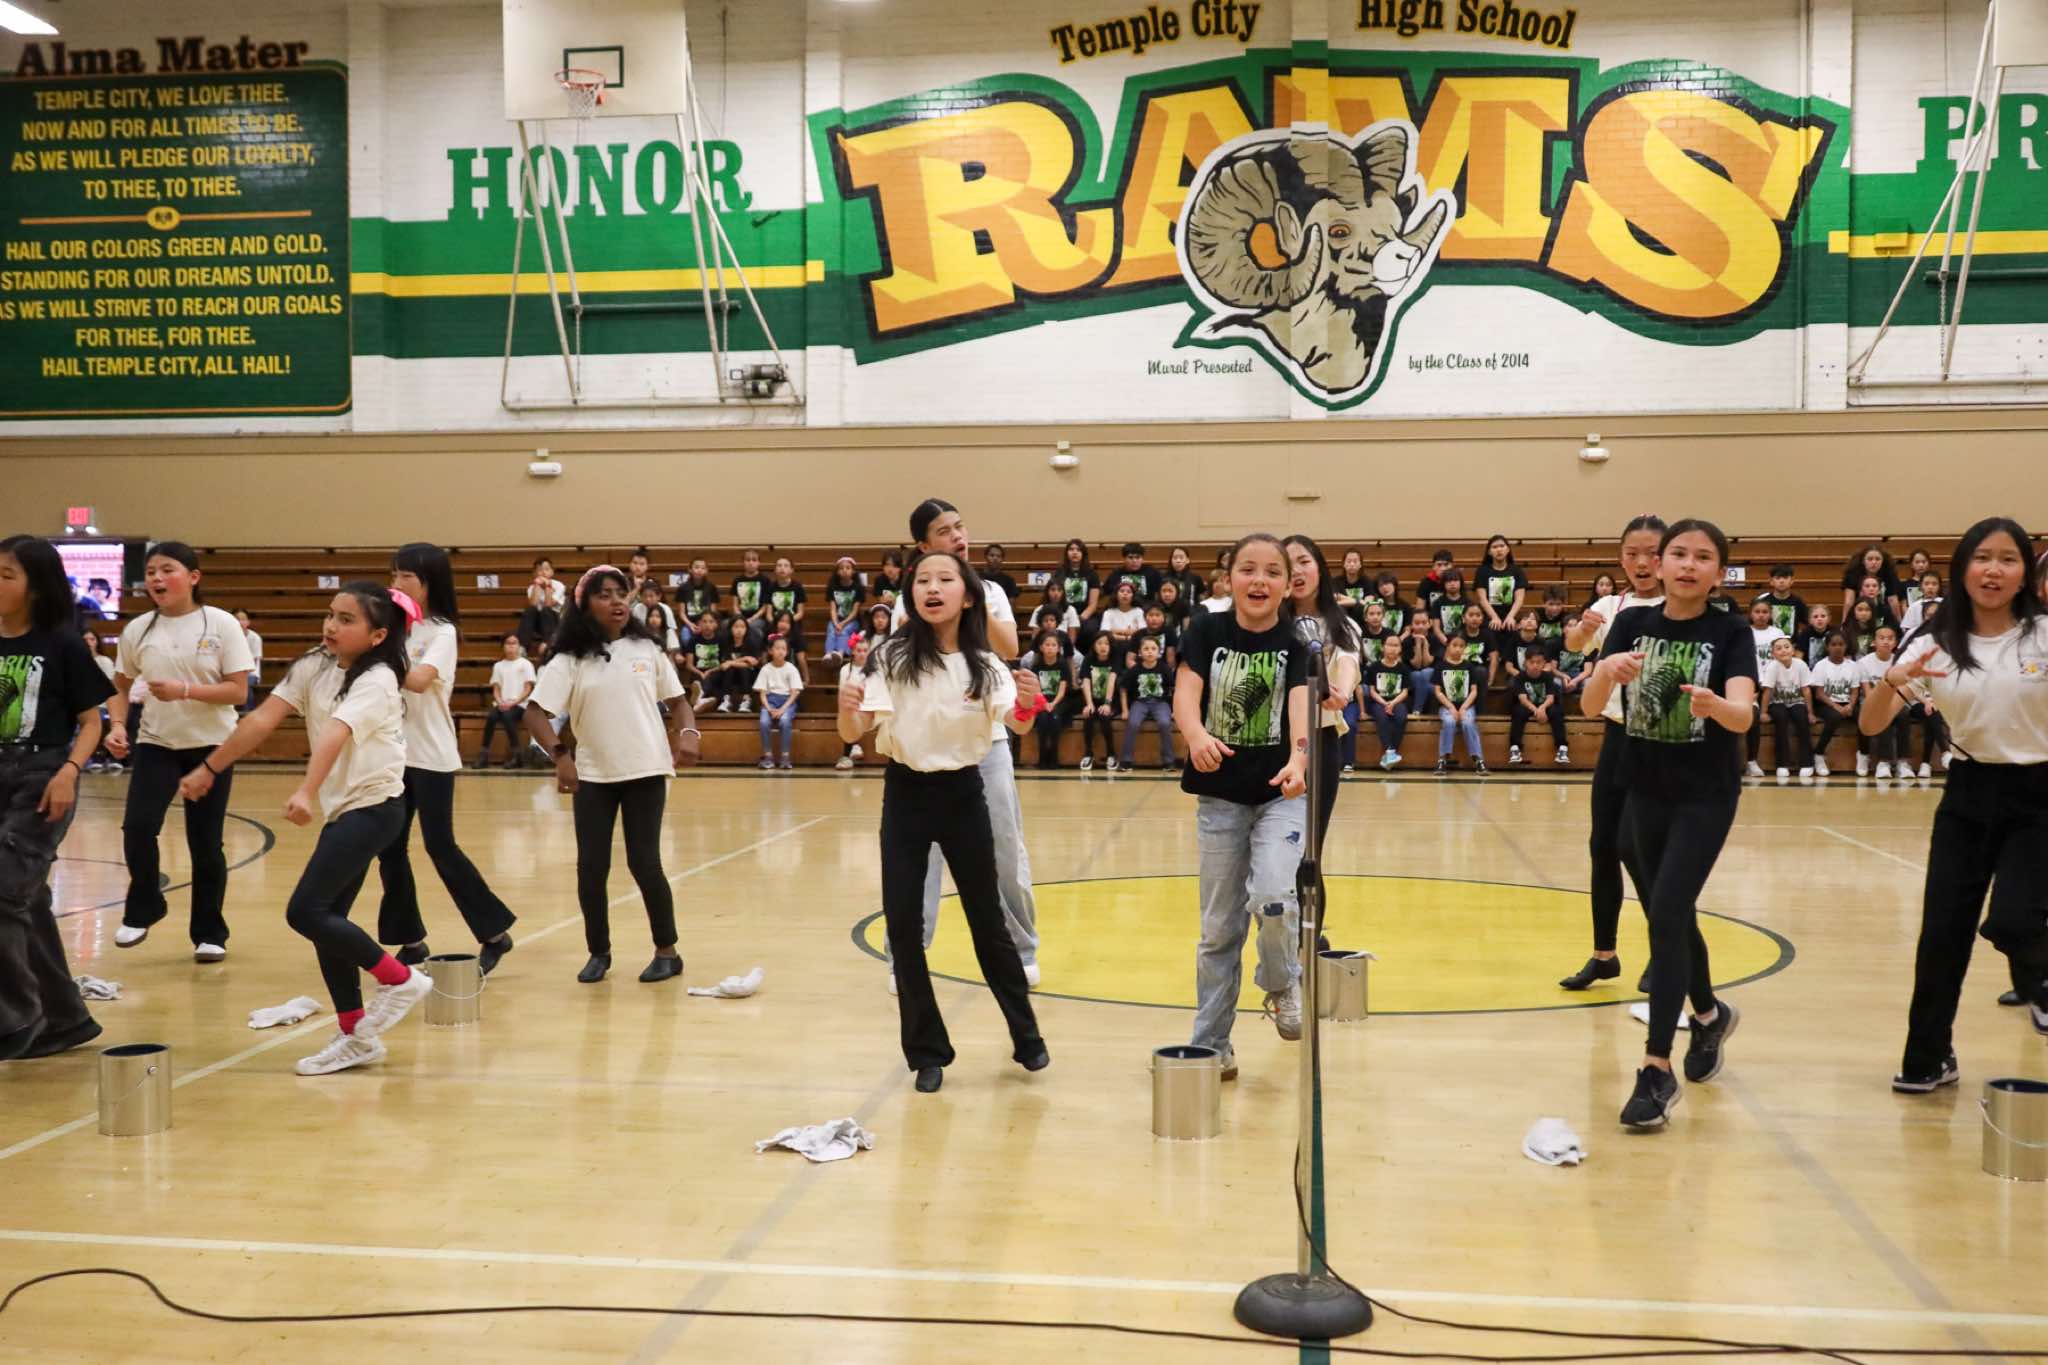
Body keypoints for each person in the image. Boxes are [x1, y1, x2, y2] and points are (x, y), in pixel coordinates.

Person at [179, 583, 434, 1076]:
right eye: (331, 615)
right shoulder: (314, 665)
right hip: (348, 810)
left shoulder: (379, 678)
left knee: (306, 911)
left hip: (375, 808)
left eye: (346, 620)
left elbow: (337, 732)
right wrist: (211, 767)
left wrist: (306, 791)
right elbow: (262, 720)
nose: (331, 626)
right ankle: (356, 1035)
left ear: (378, 635)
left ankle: (399, 978)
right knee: (328, 921)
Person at [837, 550, 1048, 1094]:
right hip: (905, 795)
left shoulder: (986, 664)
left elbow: (1019, 726)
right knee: (903, 927)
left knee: (987, 922)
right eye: (923, 581)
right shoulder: (890, 656)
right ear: (911, 595)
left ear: (968, 595)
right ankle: (927, 1052)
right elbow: (853, 731)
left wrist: (1028, 703)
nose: (932, 588)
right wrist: (846, 706)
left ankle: (1026, 1036)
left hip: (963, 795)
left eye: (945, 579)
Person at [1580, 519, 1756, 1129]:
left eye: (1703, 557)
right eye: (1678, 553)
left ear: (1718, 572)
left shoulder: (1731, 630)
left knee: (1669, 909)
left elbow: (1743, 715)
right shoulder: (1632, 622)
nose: (1687, 564)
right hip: (1644, 788)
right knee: (1669, 912)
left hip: (1706, 796)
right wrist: (1607, 671)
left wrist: (1717, 706)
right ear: (1660, 564)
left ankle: (1656, 1068)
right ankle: (1709, 1016)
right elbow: (1589, 705)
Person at [1863, 521, 2048, 1084]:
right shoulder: (1933, 642)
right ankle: (1928, 1056)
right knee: (1942, 931)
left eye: (2009, 559)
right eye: (1982, 558)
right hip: (1968, 793)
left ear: (2025, 574)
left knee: (2014, 921)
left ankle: (2039, 983)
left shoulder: (2043, 635)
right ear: (1963, 568)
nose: (1994, 570)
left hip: (2040, 796)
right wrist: (1891, 681)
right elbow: (1871, 725)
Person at [1173, 533, 1310, 1082]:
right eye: (1248, 569)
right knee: (1218, 931)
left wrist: (1299, 759)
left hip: (1280, 795)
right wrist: (1195, 734)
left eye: (1272, 572)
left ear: (1287, 585)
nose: (1259, 580)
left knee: (1274, 898)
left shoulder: (1296, 642)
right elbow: (1186, 693)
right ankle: (1211, 1045)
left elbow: (1300, 707)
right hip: (1220, 799)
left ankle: (1280, 981)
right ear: (1229, 578)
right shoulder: (1205, 629)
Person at [889, 499, 1042, 989]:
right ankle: (907, 956)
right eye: (944, 531)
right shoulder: (911, 596)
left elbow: (1009, 648)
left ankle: (1021, 949)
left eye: (960, 527)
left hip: (986, 739)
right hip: (927, 744)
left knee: (1004, 848)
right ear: (923, 546)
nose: (958, 536)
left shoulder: (989, 591)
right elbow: (903, 655)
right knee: (922, 857)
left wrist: (971, 592)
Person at [524, 565, 700, 985]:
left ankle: (667, 951)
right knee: (591, 867)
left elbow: (678, 702)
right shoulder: (569, 659)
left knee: (645, 863)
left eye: (621, 593)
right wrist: (560, 756)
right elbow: (535, 713)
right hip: (593, 776)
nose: (616, 601)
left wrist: (689, 733)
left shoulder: (648, 649)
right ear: (584, 605)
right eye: (604, 595)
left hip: (646, 769)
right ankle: (598, 953)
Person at [104, 542, 254, 962]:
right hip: (157, 742)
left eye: (167, 569)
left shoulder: (221, 624)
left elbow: (238, 691)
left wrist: (185, 690)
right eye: (151, 571)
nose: (156, 578)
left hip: (212, 746)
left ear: (193, 577)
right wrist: (117, 725)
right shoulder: (138, 630)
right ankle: (144, 907)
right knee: (138, 828)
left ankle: (210, 933)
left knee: (205, 843)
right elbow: (119, 686)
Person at [0, 535, 113, 1061]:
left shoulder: (62, 644)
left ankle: (16, 1018)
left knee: (4, 890)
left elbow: (92, 722)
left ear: (36, 588)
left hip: (42, 775)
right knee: (28, 900)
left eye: (6, 575)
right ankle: (65, 1019)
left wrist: (69, 771)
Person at [1557, 514, 1664, 993]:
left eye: (1651, 553)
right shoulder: (1610, 605)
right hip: (1618, 736)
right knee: (1602, 845)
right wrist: (1581, 630)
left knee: (1636, 848)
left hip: (1660, 742)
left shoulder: (1679, 606)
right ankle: (1605, 955)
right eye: (1631, 554)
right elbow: (1573, 645)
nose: (1641, 563)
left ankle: (1665, 948)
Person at [1282, 535, 1361, 852]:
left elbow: (1348, 660)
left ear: (1320, 568)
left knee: (1312, 845)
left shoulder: (1344, 625)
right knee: (1278, 842)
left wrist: (1341, 691)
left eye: (1304, 561)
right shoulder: (1270, 624)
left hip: (1322, 737)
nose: (1297, 571)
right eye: (1288, 565)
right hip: (1276, 739)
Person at [1808, 630, 1863, 778]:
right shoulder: (1821, 665)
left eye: (1841, 644)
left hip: (1847, 703)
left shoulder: (1853, 666)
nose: (1837, 647)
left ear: (1846, 646)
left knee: (1863, 717)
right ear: (1827, 647)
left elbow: (1855, 691)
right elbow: (1819, 694)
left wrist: (1851, 705)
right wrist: (1836, 707)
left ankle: (1863, 754)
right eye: (1833, 644)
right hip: (1826, 703)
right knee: (1835, 717)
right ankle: (1819, 754)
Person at [1760, 636, 1815, 780]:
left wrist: (1810, 713)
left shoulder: (1801, 665)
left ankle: (1807, 763)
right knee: (1781, 717)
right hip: (1777, 702)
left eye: (1786, 647)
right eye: (1778, 648)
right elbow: (1768, 691)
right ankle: (1782, 764)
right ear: (1773, 654)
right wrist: (1763, 712)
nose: (1783, 650)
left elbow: (1806, 690)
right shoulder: (1772, 667)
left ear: (1793, 650)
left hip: (1797, 701)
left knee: (1801, 717)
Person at [1120, 634, 1175, 771]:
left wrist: (1175, 710)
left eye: (1153, 648)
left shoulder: (1164, 668)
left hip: (1160, 703)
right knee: (1133, 723)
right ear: (1140, 652)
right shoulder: (1135, 670)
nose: (1150, 652)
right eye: (1146, 649)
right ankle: (1126, 760)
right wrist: (1125, 710)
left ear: (1159, 652)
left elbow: (1174, 689)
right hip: (1140, 702)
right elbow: (1123, 688)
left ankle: (1169, 761)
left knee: (1164, 723)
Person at [1433, 635, 1486, 775]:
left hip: (1466, 706)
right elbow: (1438, 691)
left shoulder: (1469, 667)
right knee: (1449, 721)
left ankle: (1478, 759)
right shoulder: (1440, 666)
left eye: (1461, 646)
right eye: (1454, 645)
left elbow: (1474, 691)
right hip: (1446, 707)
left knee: (1468, 723)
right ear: (1448, 647)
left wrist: (1463, 708)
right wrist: (1451, 707)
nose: (1457, 649)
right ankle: (1442, 759)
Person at [481, 634, 535, 767]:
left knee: (507, 716)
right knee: (491, 717)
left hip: (521, 704)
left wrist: (513, 703)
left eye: (514, 643)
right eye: (508, 643)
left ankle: (517, 756)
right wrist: (500, 702)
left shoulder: (526, 664)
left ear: (519, 646)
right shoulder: (498, 666)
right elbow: (496, 689)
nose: (511, 646)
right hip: (503, 703)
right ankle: (483, 755)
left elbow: (528, 689)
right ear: (503, 646)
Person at [1508, 648, 1567, 765]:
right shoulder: (1520, 677)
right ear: (1525, 663)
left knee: (1557, 711)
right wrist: (1537, 711)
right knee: (1518, 712)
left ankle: (1562, 749)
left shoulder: (1548, 676)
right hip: (1528, 706)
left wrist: (1542, 708)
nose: (1535, 665)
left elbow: (1550, 698)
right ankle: (1515, 748)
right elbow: (1523, 699)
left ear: (1544, 663)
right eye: (1532, 662)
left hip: (1544, 705)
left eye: (1538, 662)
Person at [754, 634, 803, 771]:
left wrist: (782, 709)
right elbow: (762, 693)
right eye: (777, 648)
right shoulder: (765, 669)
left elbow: (794, 693)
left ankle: (785, 757)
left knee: (785, 721)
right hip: (769, 701)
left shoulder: (791, 668)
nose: (780, 651)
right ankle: (768, 757)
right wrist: (769, 708)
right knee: (764, 722)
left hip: (787, 701)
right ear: (770, 651)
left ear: (787, 652)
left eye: (783, 649)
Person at [1026, 629, 1072, 770]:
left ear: (1058, 648)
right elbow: (1036, 689)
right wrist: (1044, 703)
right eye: (1047, 645)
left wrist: (1053, 703)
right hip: (1041, 701)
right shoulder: (1036, 666)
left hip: (1058, 701)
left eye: (1053, 645)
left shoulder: (1063, 665)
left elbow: (1062, 690)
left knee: (1055, 719)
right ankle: (1042, 757)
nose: (1050, 648)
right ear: (1041, 647)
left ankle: (1054, 756)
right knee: (1042, 719)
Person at [1364, 633, 1410, 770]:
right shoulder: (1374, 667)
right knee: (1382, 717)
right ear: (1383, 647)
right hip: (1378, 702)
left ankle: (1390, 753)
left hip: (1397, 701)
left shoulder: (1403, 668)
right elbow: (1372, 691)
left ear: (1400, 649)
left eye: (1396, 645)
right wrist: (1385, 704)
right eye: (1389, 645)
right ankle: (1390, 751)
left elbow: (1405, 692)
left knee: (1401, 717)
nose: (1392, 648)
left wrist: (1393, 703)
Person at [1477, 534, 1529, 656]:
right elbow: (1482, 599)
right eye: (1495, 547)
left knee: (1513, 629)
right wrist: (1494, 617)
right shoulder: (1482, 571)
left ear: (1508, 549)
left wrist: (1510, 617)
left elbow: (1519, 598)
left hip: (1511, 615)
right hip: (1490, 616)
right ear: (1489, 552)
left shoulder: (1516, 571)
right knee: (1491, 630)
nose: (1499, 549)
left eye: (1502, 546)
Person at [1077, 631, 1120, 772]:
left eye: (1106, 643)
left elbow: (1111, 681)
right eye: (1099, 643)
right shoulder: (1088, 659)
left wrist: (1107, 703)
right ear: (1094, 645)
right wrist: (1089, 704)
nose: (1103, 646)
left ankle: (1111, 754)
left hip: (1111, 700)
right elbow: (1085, 682)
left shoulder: (1115, 659)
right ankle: (1088, 754)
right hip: (1093, 699)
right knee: (1088, 716)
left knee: (1104, 717)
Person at [1840, 543, 1905, 622]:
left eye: (1877, 559)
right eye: (1870, 559)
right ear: (1863, 561)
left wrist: (1899, 622)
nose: (1874, 562)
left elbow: (1893, 601)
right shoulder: (1853, 574)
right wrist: (1844, 622)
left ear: (1882, 561)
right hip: (1860, 614)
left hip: (1882, 614)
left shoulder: (1889, 574)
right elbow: (1849, 601)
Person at [834, 634, 872, 771]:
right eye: (859, 650)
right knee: (848, 714)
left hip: (870, 703)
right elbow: (843, 691)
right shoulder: (846, 669)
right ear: (853, 652)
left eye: (865, 650)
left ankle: (853, 747)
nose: (862, 654)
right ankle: (848, 753)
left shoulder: (873, 669)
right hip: (853, 703)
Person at [823, 556, 867, 668]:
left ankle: (840, 653)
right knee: (831, 629)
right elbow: (833, 609)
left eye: (848, 568)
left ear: (853, 571)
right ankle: (828, 654)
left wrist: (842, 624)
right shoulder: (833, 587)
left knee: (845, 630)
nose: (844, 570)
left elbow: (855, 611)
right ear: (837, 572)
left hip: (852, 620)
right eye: (841, 568)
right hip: (837, 619)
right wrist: (836, 623)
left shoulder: (858, 588)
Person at [520, 556, 565, 661]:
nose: (543, 572)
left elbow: (548, 605)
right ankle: (522, 648)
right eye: (540, 570)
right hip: (538, 622)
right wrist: (537, 585)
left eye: (547, 569)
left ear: (552, 572)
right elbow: (533, 605)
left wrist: (548, 587)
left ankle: (548, 645)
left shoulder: (559, 586)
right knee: (530, 610)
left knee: (546, 610)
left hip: (554, 620)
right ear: (535, 573)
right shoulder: (531, 588)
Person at [713, 615, 759, 713]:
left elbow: (753, 664)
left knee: (743, 669)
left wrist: (731, 662)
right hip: (729, 675)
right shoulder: (725, 642)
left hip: (748, 675)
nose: (739, 630)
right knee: (729, 669)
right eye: (736, 626)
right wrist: (744, 658)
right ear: (730, 628)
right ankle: (726, 700)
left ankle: (746, 700)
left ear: (746, 629)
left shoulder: (751, 642)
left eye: (742, 627)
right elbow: (723, 665)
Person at [1754, 565, 1807, 639]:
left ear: (1792, 581)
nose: (1781, 581)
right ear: (1771, 581)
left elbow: (1808, 622)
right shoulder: (1764, 602)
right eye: (1778, 578)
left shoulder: (1798, 602)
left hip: (1792, 643)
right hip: (1768, 642)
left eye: (1785, 578)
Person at [1055, 539, 1100, 620]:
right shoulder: (1059, 573)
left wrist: (1080, 618)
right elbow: (1056, 598)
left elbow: (1093, 605)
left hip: (1085, 615)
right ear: (1066, 553)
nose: (1074, 552)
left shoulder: (1092, 574)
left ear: (1083, 554)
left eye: (1078, 550)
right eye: (1071, 549)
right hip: (1064, 613)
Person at [731, 548, 771, 637]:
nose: (751, 563)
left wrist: (752, 619)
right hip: (741, 617)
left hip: (758, 618)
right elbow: (735, 605)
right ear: (743, 562)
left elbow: (765, 606)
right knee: (725, 624)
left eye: (754, 560)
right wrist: (740, 618)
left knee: (752, 627)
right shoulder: (737, 580)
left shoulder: (765, 580)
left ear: (759, 563)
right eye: (748, 560)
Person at [675, 558, 720, 622]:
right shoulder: (683, 588)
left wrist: (705, 624)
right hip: (689, 622)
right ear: (690, 569)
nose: (699, 570)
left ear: (707, 571)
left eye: (703, 568)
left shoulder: (711, 587)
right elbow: (682, 613)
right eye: (696, 567)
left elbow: (713, 612)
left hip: (706, 622)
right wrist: (690, 624)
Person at [235, 608, 263, 711]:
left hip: (251, 673)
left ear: (248, 622)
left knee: (246, 683)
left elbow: (255, 661)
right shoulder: (228, 637)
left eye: (243, 619)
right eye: (237, 619)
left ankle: (248, 712)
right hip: (233, 671)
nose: (240, 622)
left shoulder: (255, 638)